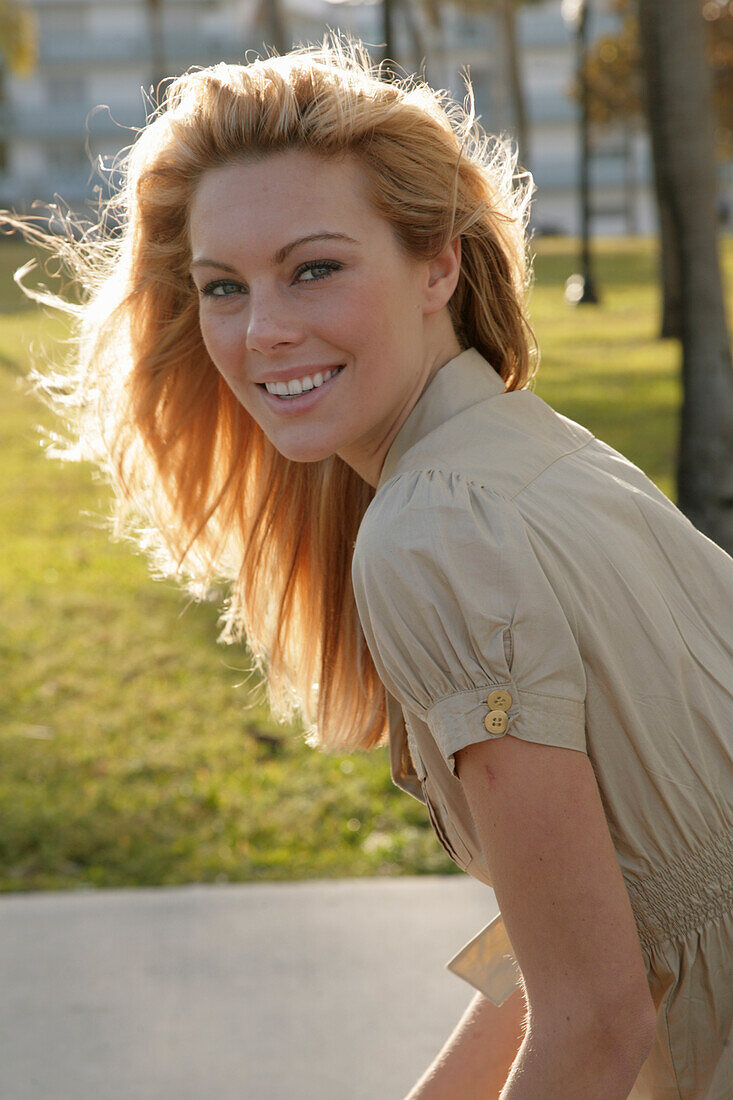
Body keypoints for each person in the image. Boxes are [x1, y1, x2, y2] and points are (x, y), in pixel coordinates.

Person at [5, 37, 731, 1100]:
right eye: (221, 286)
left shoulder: (432, 533)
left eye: (314, 268)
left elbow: (595, 1019)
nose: (263, 331)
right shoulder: (524, 447)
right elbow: (585, 920)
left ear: (436, 262)